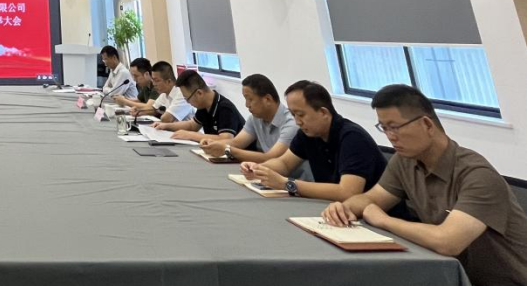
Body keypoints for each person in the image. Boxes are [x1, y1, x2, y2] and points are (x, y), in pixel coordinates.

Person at [323, 85, 527, 286]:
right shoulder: (405, 161)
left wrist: (383, 220)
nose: (390, 136)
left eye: (395, 127)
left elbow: (448, 241)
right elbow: (372, 198)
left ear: (427, 125)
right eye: (384, 128)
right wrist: (344, 209)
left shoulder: (478, 175)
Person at [241, 80, 387, 201]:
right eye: (293, 115)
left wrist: (287, 183)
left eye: (301, 115)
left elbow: (348, 192)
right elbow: (284, 163)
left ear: (323, 112)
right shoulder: (307, 134)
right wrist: (259, 169)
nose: (297, 121)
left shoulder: (353, 138)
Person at [198, 74, 307, 175]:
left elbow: (271, 157)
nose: (247, 105)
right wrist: (213, 143)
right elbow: (236, 142)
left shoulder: (292, 123)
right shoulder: (255, 118)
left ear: (267, 99)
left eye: (250, 99)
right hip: (271, 175)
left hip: (294, 180)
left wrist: (228, 150)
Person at [153, 69, 244, 141]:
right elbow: (192, 125)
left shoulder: (225, 108)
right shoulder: (204, 106)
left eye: (187, 98)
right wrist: (166, 126)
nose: (188, 102)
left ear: (199, 93)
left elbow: (226, 139)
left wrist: (190, 135)